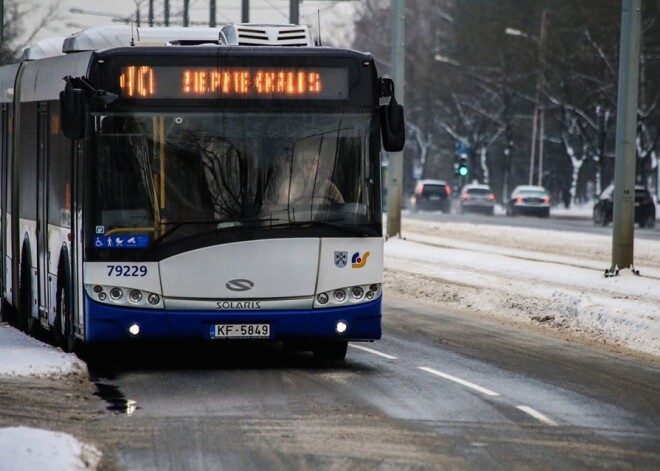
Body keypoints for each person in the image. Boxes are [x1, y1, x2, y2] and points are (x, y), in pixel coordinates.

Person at [285, 137, 344, 205]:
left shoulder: (328, 186)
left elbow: (341, 208)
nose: (309, 166)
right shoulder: (289, 185)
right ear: (299, 164)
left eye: (313, 162)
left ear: (318, 164)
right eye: (304, 162)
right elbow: (281, 211)